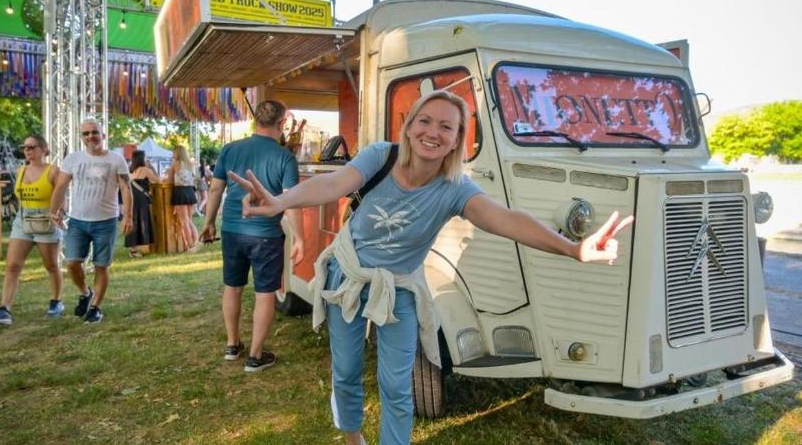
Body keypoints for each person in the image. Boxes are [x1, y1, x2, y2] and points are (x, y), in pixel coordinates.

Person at [228, 91, 634, 444]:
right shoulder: (380, 156)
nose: (433, 131)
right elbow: (334, 183)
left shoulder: (454, 188)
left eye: (446, 126)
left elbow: (506, 218)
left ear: (458, 139)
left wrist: (573, 248)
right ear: (408, 127)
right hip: (348, 277)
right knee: (348, 371)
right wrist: (282, 201)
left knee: (396, 384)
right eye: (424, 120)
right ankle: (352, 436)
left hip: (400, 287)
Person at [200, 99, 305, 373]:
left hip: (233, 229)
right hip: (266, 234)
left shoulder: (230, 149)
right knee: (265, 293)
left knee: (232, 286)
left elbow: (215, 190)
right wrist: (301, 239)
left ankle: (233, 345)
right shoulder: (285, 157)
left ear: (256, 121)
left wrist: (209, 222)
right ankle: (255, 356)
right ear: (282, 124)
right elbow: (291, 202)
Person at [49, 119, 133, 324]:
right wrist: (54, 211)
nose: (90, 137)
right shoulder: (72, 159)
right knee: (72, 263)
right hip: (77, 221)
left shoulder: (116, 160)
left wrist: (128, 216)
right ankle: (86, 293)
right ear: (82, 137)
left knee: (101, 265)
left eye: (94, 132)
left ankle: (95, 307)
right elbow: (60, 187)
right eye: (85, 134)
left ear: (103, 135)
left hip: (106, 221)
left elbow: (126, 188)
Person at [0, 136, 64, 325]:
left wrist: (57, 212)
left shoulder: (53, 171)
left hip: (45, 219)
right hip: (23, 218)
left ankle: (56, 301)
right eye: (24, 147)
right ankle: (4, 310)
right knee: (12, 265)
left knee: (51, 265)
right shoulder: (20, 170)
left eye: (32, 147)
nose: (27, 150)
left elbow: (60, 195)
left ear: (43, 149)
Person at [125, 150, 159, 257]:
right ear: (142, 158)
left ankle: (133, 248)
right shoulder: (145, 169)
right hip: (141, 198)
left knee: (134, 220)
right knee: (142, 220)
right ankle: (138, 248)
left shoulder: (131, 170)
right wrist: (151, 167)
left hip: (132, 197)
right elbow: (157, 180)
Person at [168, 145, 199, 251]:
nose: (173, 154)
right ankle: (196, 242)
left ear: (177, 153)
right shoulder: (190, 164)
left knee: (184, 221)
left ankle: (190, 245)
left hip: (180, 192)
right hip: (190, 191)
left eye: (174, 152)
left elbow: (169, 180)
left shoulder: (175, 163)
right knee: (189, 220)